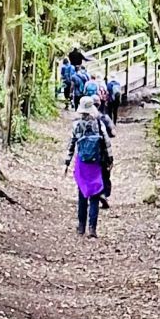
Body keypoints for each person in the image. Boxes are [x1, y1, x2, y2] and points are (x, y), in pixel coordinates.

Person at [65, 94, 112, 236]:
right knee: (95, 195)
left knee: (82, 194)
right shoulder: (99, 124)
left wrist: (66, 163)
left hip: (82, 163)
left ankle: (81, 226)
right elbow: (107, 143)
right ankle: (92, 228)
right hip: (96, 163)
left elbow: (71, 145)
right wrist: (110, 160)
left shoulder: (76, 125)